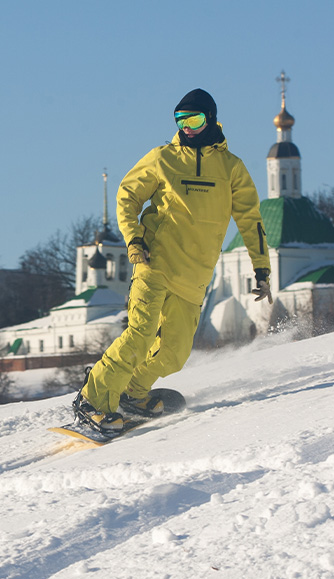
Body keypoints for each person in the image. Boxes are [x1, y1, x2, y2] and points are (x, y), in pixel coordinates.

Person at [73, 88, 273, 434]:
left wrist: (261, 267)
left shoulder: (231, 168)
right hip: (155, 264)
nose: (187, 128)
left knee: (175, 354)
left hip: (195, 277)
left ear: (210, 120)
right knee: (139, 333)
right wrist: (134, 239)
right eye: (180, 121)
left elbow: (250, 219)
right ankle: (93, 401)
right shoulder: (162, 158)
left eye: (194, 120)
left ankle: (132, 394)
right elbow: (127, 196)